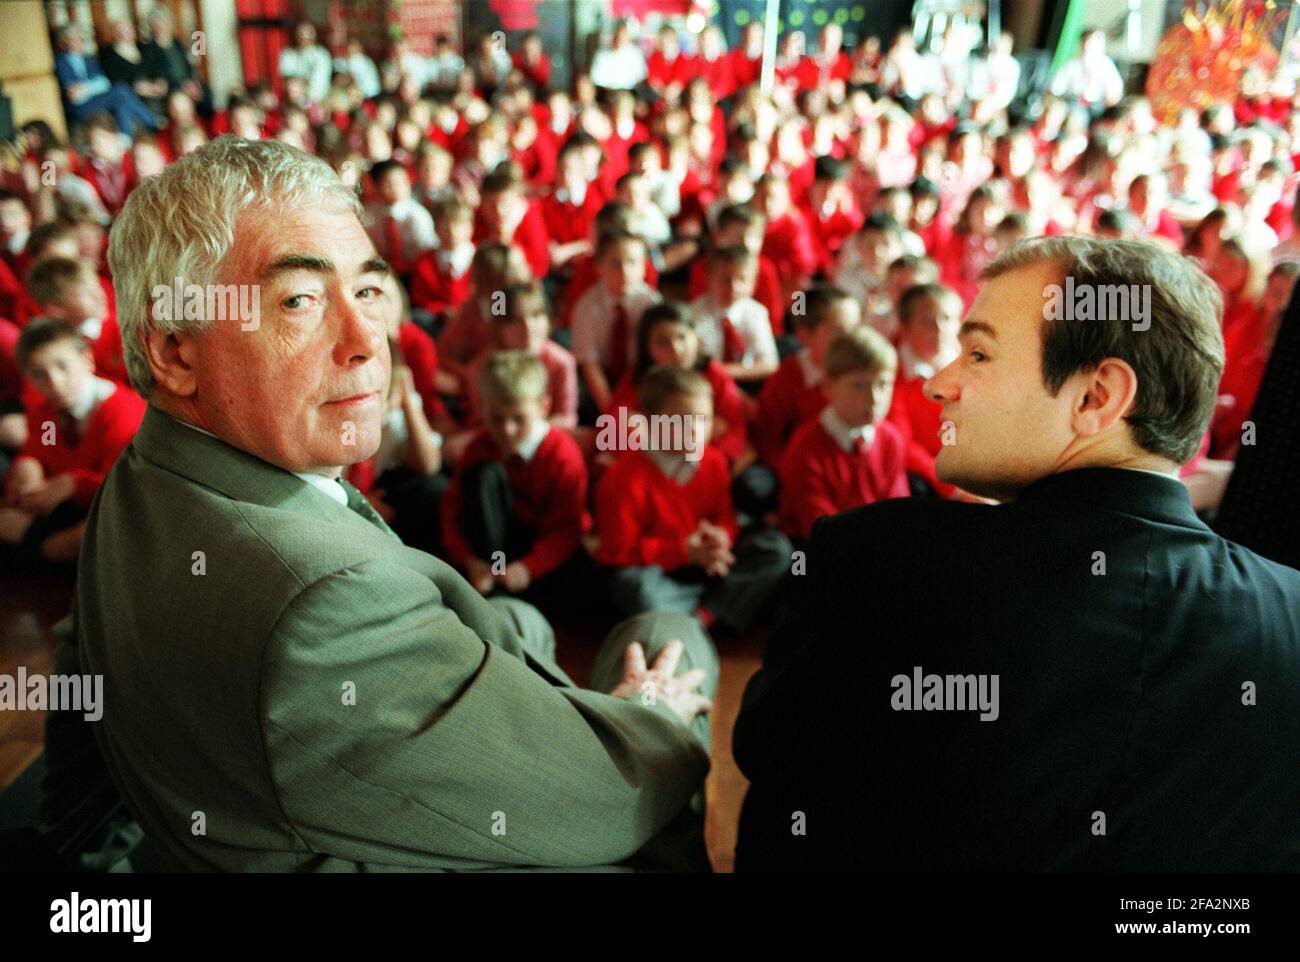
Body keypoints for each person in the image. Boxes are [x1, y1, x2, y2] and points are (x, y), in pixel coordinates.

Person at [77, 136, 717, 872]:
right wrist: (654, 711)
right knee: (671, 638)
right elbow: (607, 796)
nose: (367, 340)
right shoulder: (325, 606)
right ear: (177, 352)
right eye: (301, 300)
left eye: (370, 290)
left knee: (522, 619)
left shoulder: (137, 476)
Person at [733, 236, 1300, 871]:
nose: (939, 385)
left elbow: (772, 762)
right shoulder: (1289, 613)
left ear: (1096, 397)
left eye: (977, 353)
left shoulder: (877, 557)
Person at [1, 319, 145, 564]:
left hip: (116, 516)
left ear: (87, 360)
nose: (54, 382)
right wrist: (29, 466)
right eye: (39, 374)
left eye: (62, 366)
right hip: (70, 510)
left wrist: (75, 484)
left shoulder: (121, 413)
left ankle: (37, 547)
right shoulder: (48, 412)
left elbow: (128, 492)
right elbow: (39, 449)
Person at [53, 24, 159, 137]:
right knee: (120, 89)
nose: (77, 42)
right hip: (80, 107)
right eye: (72, 38)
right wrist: (93, 86)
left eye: (79, 38)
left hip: (95, 100)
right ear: (64, 41)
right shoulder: (61, 62)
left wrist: (85, 88)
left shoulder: (89, 59)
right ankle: (152, 123)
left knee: (121, 101)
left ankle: (125, 138)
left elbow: (104, 83)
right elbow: (73, 95)